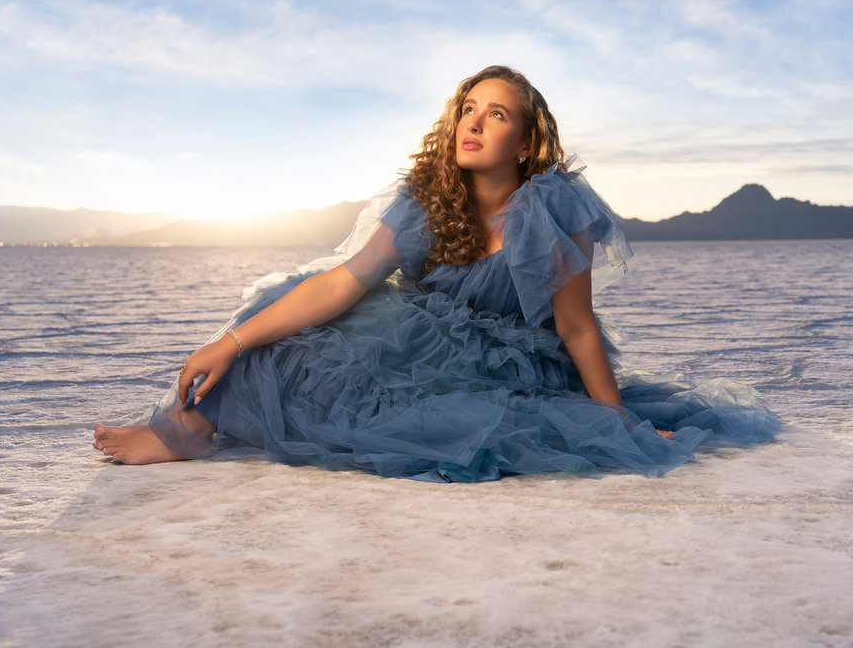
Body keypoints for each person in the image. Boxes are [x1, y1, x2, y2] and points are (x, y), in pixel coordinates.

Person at [93, 66, 779, 481]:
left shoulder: (553, 206)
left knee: (418, 415)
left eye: (497, 113)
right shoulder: (425, 197)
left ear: (526, 138)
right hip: (416, 343)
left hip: (507, 362)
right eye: (467, 110)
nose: (474, 123)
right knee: (284, 325)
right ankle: (187, 428)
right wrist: (228, 342)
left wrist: (614, 421)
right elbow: (343, 281)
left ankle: (194, 433)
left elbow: (574, 325)